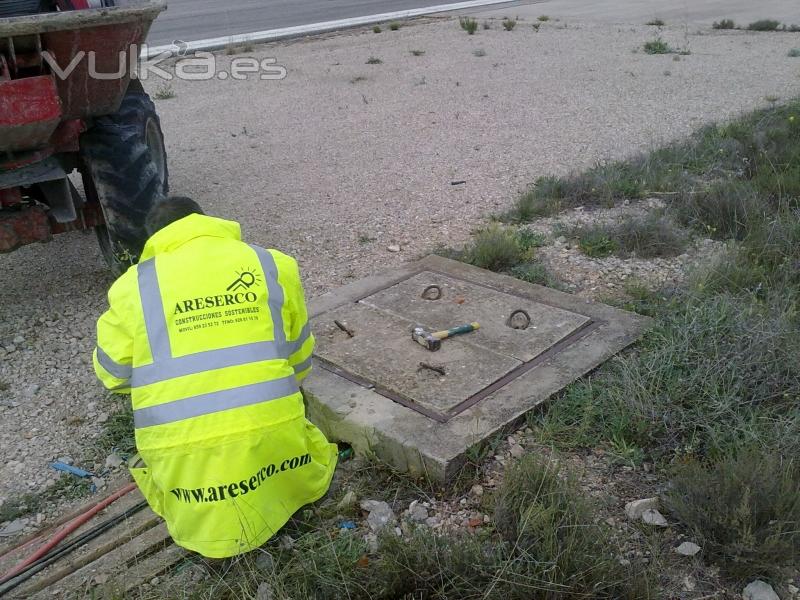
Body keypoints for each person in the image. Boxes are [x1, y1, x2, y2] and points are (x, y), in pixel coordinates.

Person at [92, 196, 336, 558]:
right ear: (206, 222)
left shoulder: (133, 287)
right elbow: (299, 358)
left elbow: (112, 375)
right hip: (273, 430)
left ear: (155, 238)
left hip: (183, 454)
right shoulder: (271, 264)